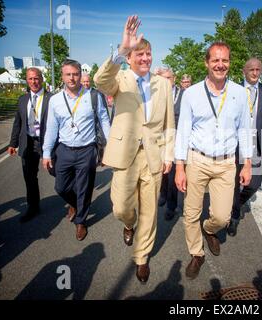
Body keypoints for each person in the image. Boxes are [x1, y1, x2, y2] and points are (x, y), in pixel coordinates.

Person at [93, 15, 175, 284]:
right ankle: (129, 224)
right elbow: (99, 80)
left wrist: (169, 155)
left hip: (153, 155)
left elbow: (168, 124)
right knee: (121, 208)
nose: (145, 59)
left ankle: (142, 257)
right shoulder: (120, 78)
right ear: (130, 57)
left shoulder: (163, 84)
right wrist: (121, 50)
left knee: (150, 212)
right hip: (125, 156)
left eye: (148, 54)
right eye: (139, 54)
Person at [174, 42, 252, 280]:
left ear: (230, 63)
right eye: (215, 60)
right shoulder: (191, 93)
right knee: (191, 212)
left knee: (222, 216)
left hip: (226, 163)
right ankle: (196, 253)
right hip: (197, 159)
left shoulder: (240, 93)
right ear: (207, 63)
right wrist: (180, 167)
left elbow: (245, 130)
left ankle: (209, 230)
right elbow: (183, 132)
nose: (220, 65)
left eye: (225, 60)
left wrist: (248, 163)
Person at [42, 59, 110, 241]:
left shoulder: (93, 96)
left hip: (87, 150)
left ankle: (81, 221)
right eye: (68, 74)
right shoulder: (55, 100)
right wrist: (47, 152)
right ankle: (74, 204)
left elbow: (104, 120)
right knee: (61, 187)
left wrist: (110, 146)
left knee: (84, 188)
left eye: (75, 74)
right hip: (64, 150)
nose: (72, 78)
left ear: (80, 75)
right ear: (62, 76)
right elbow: (51, 128)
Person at [227, 58, 262, 237]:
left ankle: (238, 203)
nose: (255, 73)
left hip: (257, 143)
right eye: (251, 69)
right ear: (244, 71)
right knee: (233, 182)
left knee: (254, 183)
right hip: (235, 142)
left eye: (258, 70)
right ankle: (233, 216)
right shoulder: (233, 90)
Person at [8, 67, 53, 223]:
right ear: (27, 80)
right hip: (28, 142)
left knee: (59, 174)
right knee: (30, 178)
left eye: (36, 78)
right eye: (30, 79)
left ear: (42, 79)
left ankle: (71, 201)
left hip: (47, 142)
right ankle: (33, 207)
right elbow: (17, 123)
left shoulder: (51, 98)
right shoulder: (22, 100)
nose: (34, 82)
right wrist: (13, 143)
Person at [156, 67, 184, 220]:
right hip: (160, 138)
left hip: (177, 138)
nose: (167, 81)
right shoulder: (156, 93)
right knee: (162, 169)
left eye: (169, 78)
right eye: (163, 78)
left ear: (174, 78)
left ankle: (171, 206)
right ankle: (163, 193)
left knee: (173, 172)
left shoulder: (183, 94)